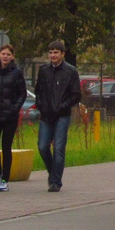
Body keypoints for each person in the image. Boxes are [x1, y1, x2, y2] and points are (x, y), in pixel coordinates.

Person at [35, 40, 81, 192]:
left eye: (56, 52)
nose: (53, 55)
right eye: (51, 52)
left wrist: (62, 106)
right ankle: (53, 172)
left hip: (62, 115)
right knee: (42, 146)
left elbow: (76, 95)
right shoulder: (43, 70)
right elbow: (39, 91)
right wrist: (41, 106)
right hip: (46, 115)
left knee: (59, 147)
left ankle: (55, 182)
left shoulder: (70, 71)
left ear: (62, 54)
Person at [0, 43, 28, 192]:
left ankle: (4, 179)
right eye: (3, 54)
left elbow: (22, 93)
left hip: (10, 116)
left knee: (6, 147)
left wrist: (15, 109)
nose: (5, 57)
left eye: (8, 54)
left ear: (12, 57)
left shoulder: (16, 73)